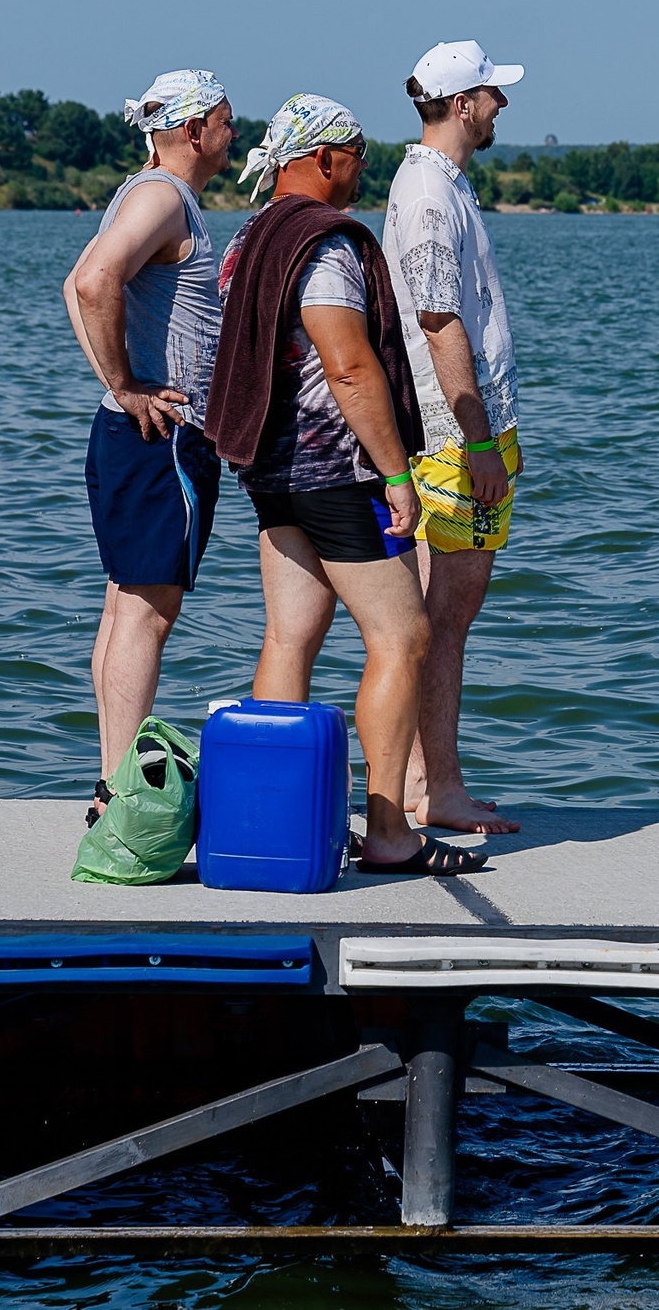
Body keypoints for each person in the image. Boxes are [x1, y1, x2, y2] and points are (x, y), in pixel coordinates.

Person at [207, 95, 483, 877]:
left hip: (269, 472)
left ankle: (270, 820)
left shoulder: (250, 236)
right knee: (404, 636)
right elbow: (350, 365)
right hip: (335, 472)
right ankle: (390, 830)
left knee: (289, 636)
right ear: (322, 158)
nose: (364, 168)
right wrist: (396, 473)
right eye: (356, 154)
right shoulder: (323, 243)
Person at [60, 70, 233, 824]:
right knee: (145, 616)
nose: (234, 132)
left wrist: (117, 385)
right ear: (193, 130)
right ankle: (121, 792)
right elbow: (91, 283)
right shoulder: (163, 196)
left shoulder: (145, 193)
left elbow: (77, 283)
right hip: (160, 438)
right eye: (225, 120)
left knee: (125, 608)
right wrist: (128, 385)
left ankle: (111, 784)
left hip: (136, 434)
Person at [384, 40, 526, 835]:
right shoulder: (431, 194)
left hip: (450, 430)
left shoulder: (439, 183)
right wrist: (477, 441)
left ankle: (418, 776)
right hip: (453, 436)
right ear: (463, 103)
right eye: (492, 93)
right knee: (449, 616)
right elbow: (438, 321)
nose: (502, 104)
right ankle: (439, 786)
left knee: (435, 615)